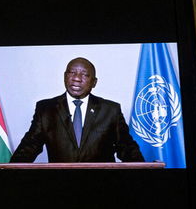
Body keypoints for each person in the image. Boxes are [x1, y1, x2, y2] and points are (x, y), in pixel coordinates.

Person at [9, 57, 145, 164]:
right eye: (72, 72)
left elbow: (127, 148)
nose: (77, 78)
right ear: (64, 76)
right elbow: (29, 147)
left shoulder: (110, 110)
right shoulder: (45, 109)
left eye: (85, 75)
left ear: (94, 82)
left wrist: (144, 170)